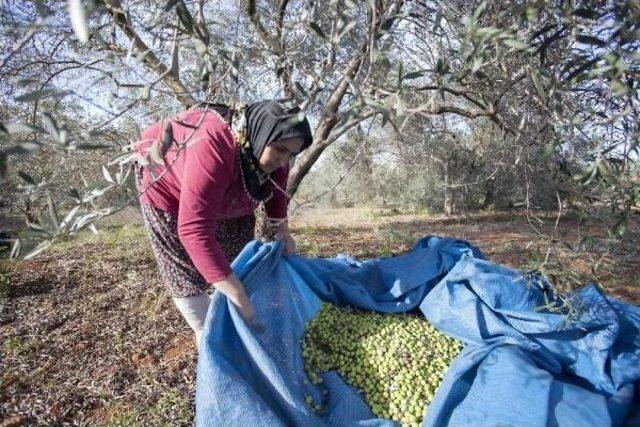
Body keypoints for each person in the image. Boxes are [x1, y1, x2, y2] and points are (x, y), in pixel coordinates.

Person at [133, 100, 312, 347]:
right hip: (167, 191)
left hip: (230, 186)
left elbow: (276, 190)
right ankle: (208, 335)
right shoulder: (213, 144)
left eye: (292, 154)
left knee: (238, 257)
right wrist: (239, 296)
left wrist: (282, 230)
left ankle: (236, 313)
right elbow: (193, 231)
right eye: (281, 150)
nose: (284, 160)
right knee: (185, 272)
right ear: (260, 134)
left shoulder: (274, 147)